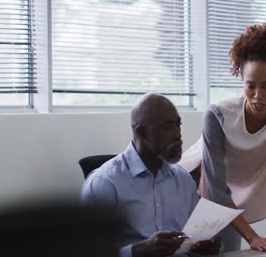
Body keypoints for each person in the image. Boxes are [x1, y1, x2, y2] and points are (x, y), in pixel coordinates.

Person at [179, 24, 266, 252]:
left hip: (231, 194)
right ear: (241, 79)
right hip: (195, 189)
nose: (258, 96)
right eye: (250, 86)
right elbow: (215, 190)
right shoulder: (217, 115)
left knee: (232, 251)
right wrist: (253, 237)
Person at [81, 94, 220, 257]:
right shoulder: (104, 183)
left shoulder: (182, 178)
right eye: (168, 127)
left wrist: (207, 245)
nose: (178, 134)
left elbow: (197, 234)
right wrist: (139, 251)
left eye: (178, 124)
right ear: (142, 133)